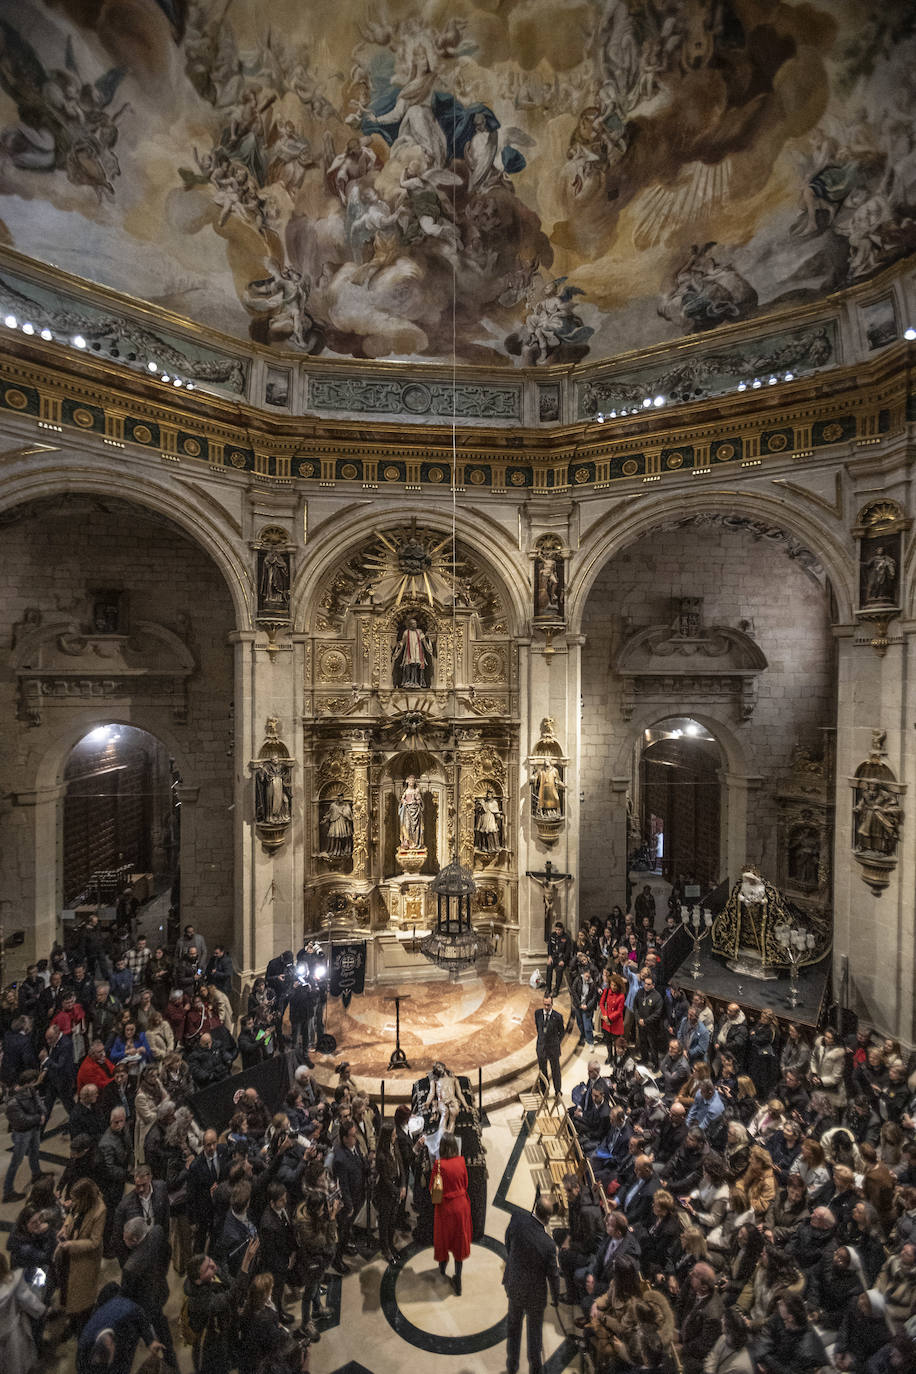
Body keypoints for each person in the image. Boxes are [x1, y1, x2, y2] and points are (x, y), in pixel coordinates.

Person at [503, 1193, 560, 1374]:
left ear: (536, 1208)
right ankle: (535, 1369)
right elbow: (553, 1275)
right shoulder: (548, 1245)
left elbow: (507, 1241)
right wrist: (556, 1296)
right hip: (535, 1295)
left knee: (513, 1328)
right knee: (534, 1336)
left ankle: (512, 1366)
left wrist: (512, 1260)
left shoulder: (517, 1219)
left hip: (515, 1285)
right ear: (548, 1218)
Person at [56, 1176, 106, 1333]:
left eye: (75, 1200)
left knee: (81, 1294)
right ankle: (72, 1318)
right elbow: (72, 1215)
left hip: (85, 1258)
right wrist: (65, 1228)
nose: (73, 1203)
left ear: (85, 1198)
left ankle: (81, 1325)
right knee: (67, 1287)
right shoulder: (80, 1204)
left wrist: (71, 1245)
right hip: (70, 1251)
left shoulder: (100, 1210)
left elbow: (94, 1242)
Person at [431, 1132, 472, 1294]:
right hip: (461, 1206)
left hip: (445, 1208)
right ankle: (458, 1279)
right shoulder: (461, 1161)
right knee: (459, 1242)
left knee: (443, 1238)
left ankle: (442, 1268)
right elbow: (466, 1183)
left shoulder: (439, 1165)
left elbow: (433, 1189)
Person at [0, 1249, 47, 1374]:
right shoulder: (13, 1282)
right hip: (13, 1332)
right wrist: (41, 1311)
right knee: (16, 1362)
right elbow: (28, 1300)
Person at [534, 994, 565, 1095]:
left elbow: (562, 1032)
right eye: (545, 1005)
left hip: (553, 1047)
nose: (546, 1007)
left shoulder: (558, 1016)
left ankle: (558, 1091)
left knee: (555, 1071)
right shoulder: (537, 1013)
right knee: (543, 1071)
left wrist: (555, 1042)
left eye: (548, 1005)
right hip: (542, 1047)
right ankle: (544, 1091)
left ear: (552, 1004)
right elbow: (538, 1028)